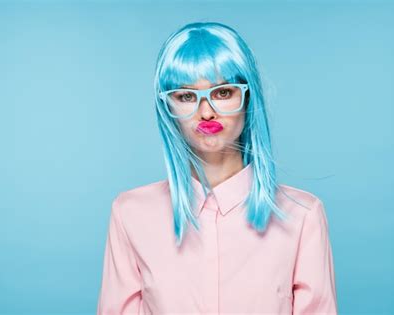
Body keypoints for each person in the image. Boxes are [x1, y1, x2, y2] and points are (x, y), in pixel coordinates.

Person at [97, 21, 338, 315]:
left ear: (247, 97)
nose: (206, 111)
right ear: (167, 108)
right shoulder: (130, 214)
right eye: (186, 96)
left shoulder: (302, 216)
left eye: (223, 92)